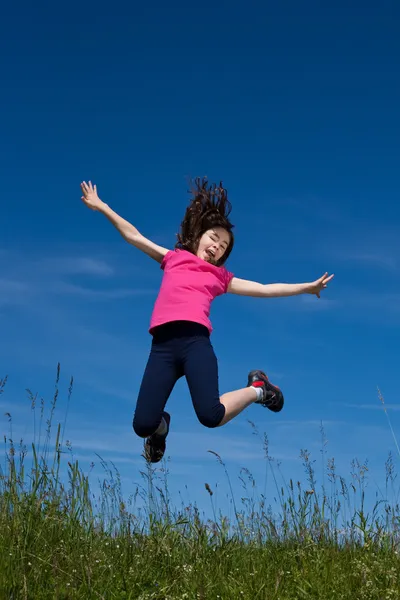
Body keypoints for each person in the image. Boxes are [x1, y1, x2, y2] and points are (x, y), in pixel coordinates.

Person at [80, 179, 333, 463]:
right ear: (199, 235)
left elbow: (263, 288)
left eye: (223, 246)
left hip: (195, 344)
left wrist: (306, 288)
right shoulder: (174, 258)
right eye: (214, 238)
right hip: (162, 348)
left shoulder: (220, 277)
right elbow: (134, 236)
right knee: (143, 426)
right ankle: (161, 428)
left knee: (210, 416)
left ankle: (258, 390)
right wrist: (102, 206)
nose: (217, 247)